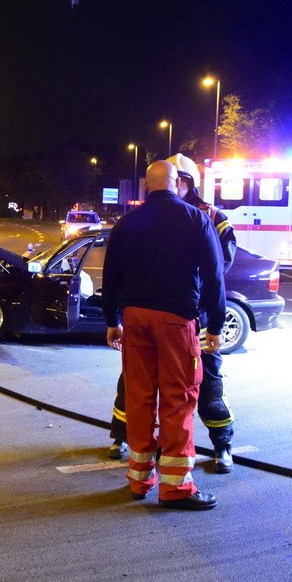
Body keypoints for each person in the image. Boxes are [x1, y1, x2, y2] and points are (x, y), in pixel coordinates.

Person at [102, 160, 226, 510]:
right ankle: (176, 488)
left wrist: (112, 319)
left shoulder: (127, 222)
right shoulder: (195, 218)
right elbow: (215, 276)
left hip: (135, 319)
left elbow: (111, 275)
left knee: (139, 397)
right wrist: (215, 324)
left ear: (145, 185)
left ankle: (139, 481)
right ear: (177, 183)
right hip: (176, 321)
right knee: (178, 398)